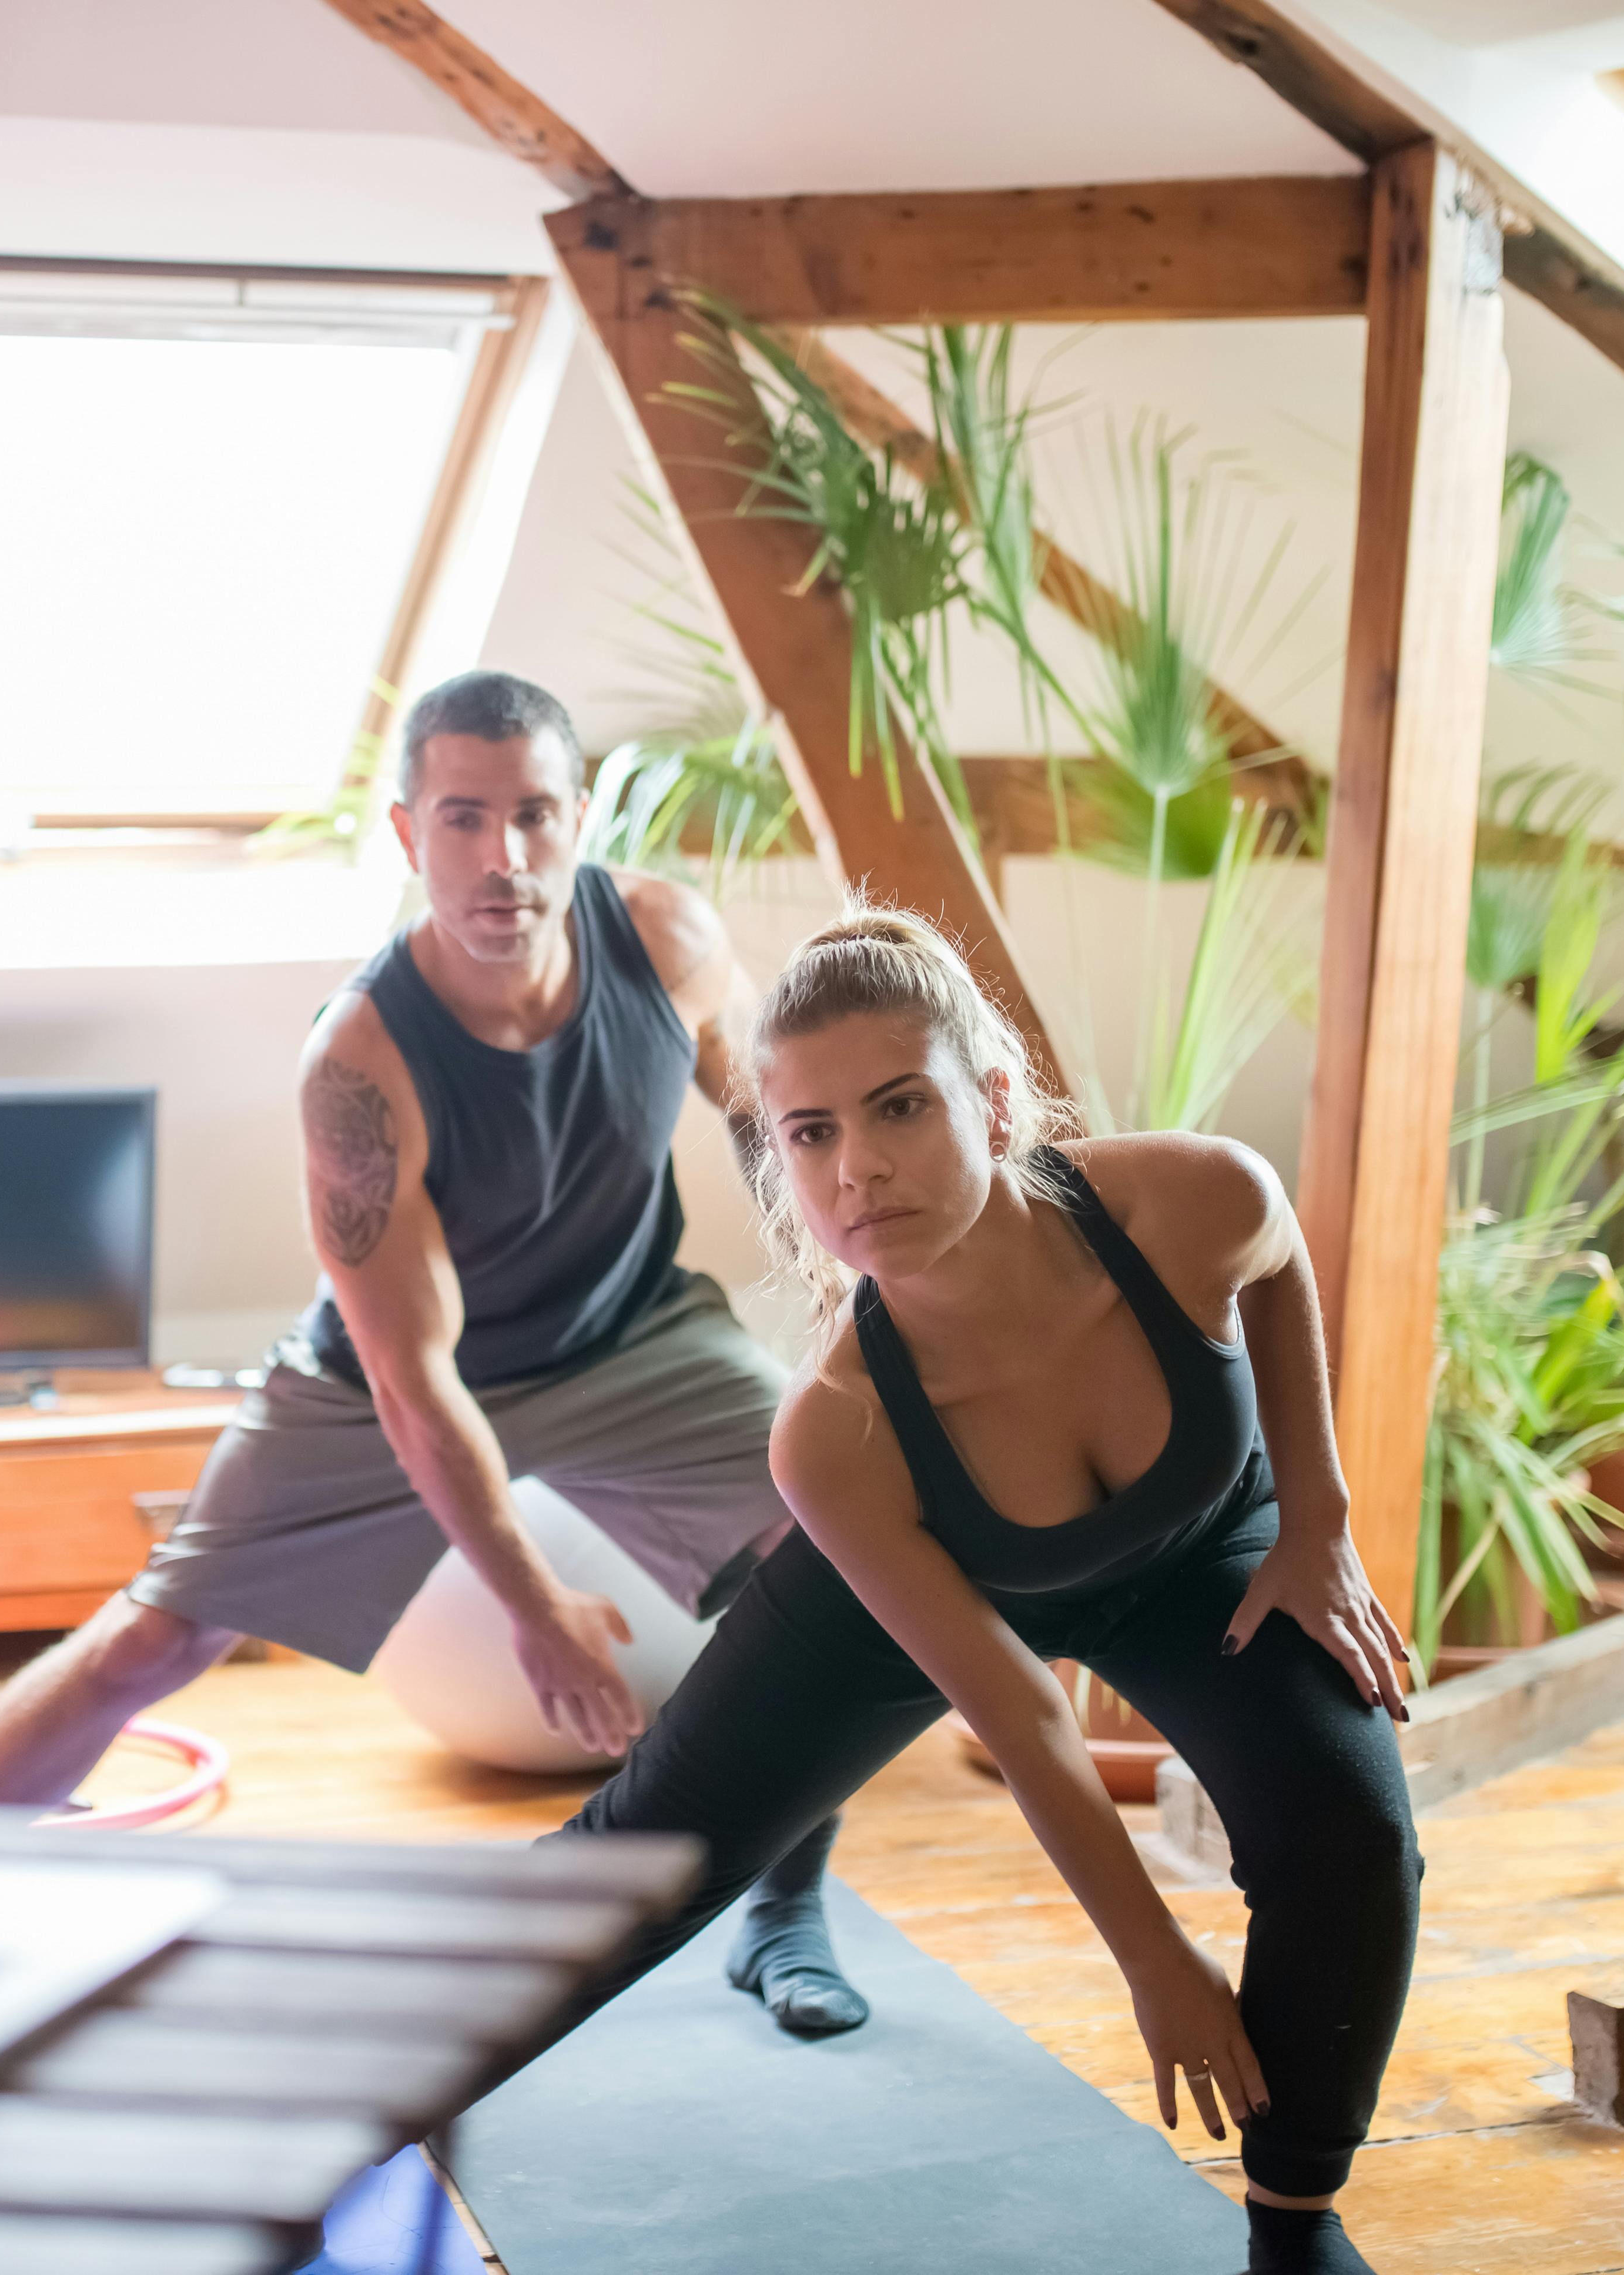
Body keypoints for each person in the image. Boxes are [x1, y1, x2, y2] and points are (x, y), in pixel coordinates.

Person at [0, 670, 866, 2036]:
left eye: (535, 815)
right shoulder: (360, 1062)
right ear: (405, 830)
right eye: (464, 819)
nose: (504, 859)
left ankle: (782, 1907)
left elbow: (765, 1109)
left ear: (581, 814)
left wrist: (840, 1280)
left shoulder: (665, 940)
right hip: (393, 1380)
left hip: (627, 1333)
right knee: (156, 1640)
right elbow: (416, 1386)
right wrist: (537, 1604)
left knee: (834, 1534)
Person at [543, 905, 1422, 2275]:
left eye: (899, 1107)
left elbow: (1278, 1258)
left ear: (996, 1100)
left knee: (1350, 1837)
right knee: (634, 1871)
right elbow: (1026, 1721)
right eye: (811, 1133)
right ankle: (340, 2089)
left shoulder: (1187, 1200)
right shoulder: (834, 1434)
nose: (858, 1168)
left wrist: (1318, 1521)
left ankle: (1297, 2229)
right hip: (919, 1579)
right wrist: (1151, 1957)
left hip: (1197, 1555)